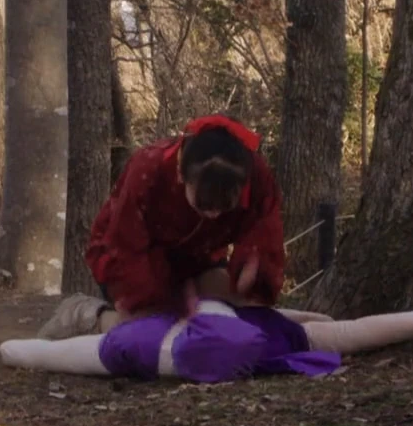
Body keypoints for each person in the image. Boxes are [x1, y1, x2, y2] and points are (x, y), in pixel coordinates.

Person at [36, 114, 287, 340]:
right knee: (151, 329)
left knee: (246, 307)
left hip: (201, 256)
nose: (214, 214)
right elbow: (124, 246)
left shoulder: (255, 174)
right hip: (135, 254)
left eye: (224, 206)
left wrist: (255, 271)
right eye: (204, 204)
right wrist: (157, 302)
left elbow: (265, 230)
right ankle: (86, 315)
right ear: (181, 174)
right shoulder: (148, 169)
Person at [0, 300, 413, 383]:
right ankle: (83, 309)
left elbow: (41, 354)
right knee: (102, 326)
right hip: (142, 326)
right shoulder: (133, 344)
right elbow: (347, 331)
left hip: (148, 329)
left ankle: (84, 311)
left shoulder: (131, 346)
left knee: (104, 333)